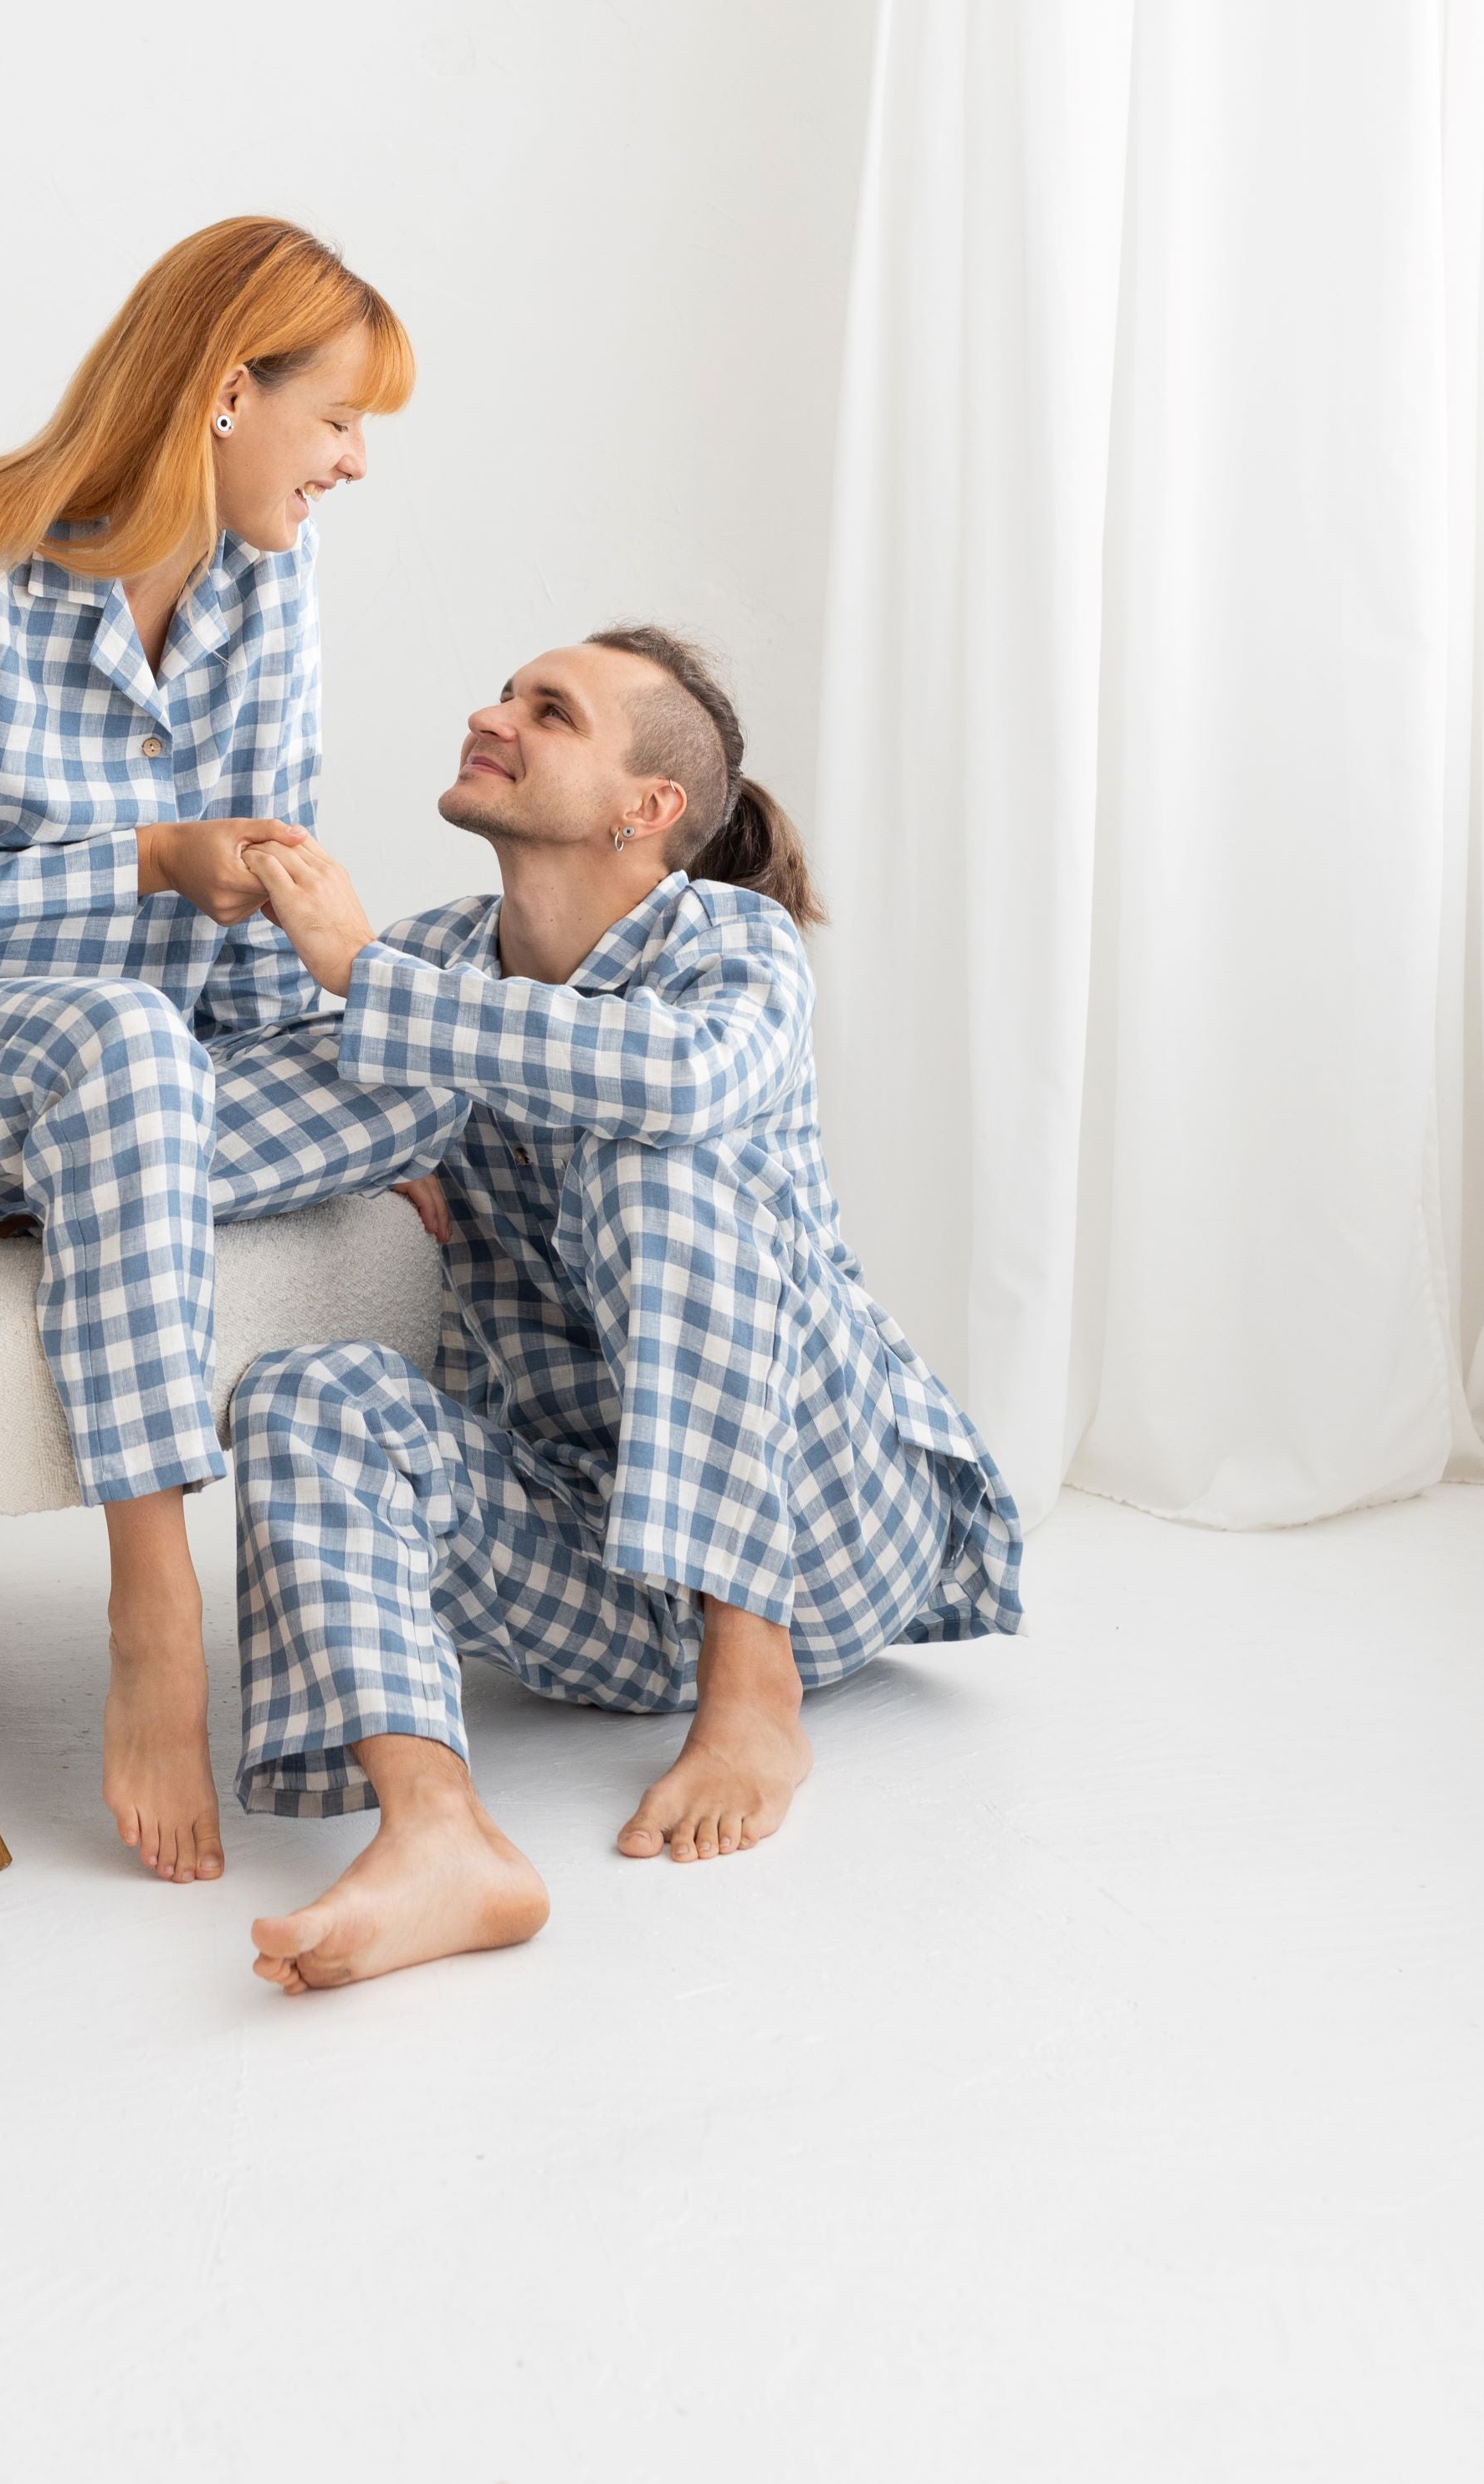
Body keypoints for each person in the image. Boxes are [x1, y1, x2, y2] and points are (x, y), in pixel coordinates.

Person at [0, 219, 463, 1891]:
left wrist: (364, 1077)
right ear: (223, 391)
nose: (353, 461)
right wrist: (138, 858)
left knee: (431, 1040)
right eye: (339, 418)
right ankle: (157, 1604)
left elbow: (260, 882)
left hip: (102, 1088)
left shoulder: (274, 585)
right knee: (127, 1041)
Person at [223, 626, 1023, 1993]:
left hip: (820, 1526)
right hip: (607, 1569)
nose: (492, 713)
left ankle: (753, 1688)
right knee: (302, 1397)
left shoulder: (730, 944)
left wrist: (367, 985)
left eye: (549, 711)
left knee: (650, 1168)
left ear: (642, 811)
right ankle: (437, 1836)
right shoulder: (430, 965)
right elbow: (222, 1131)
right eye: (503, 691)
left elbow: (685, 1084)